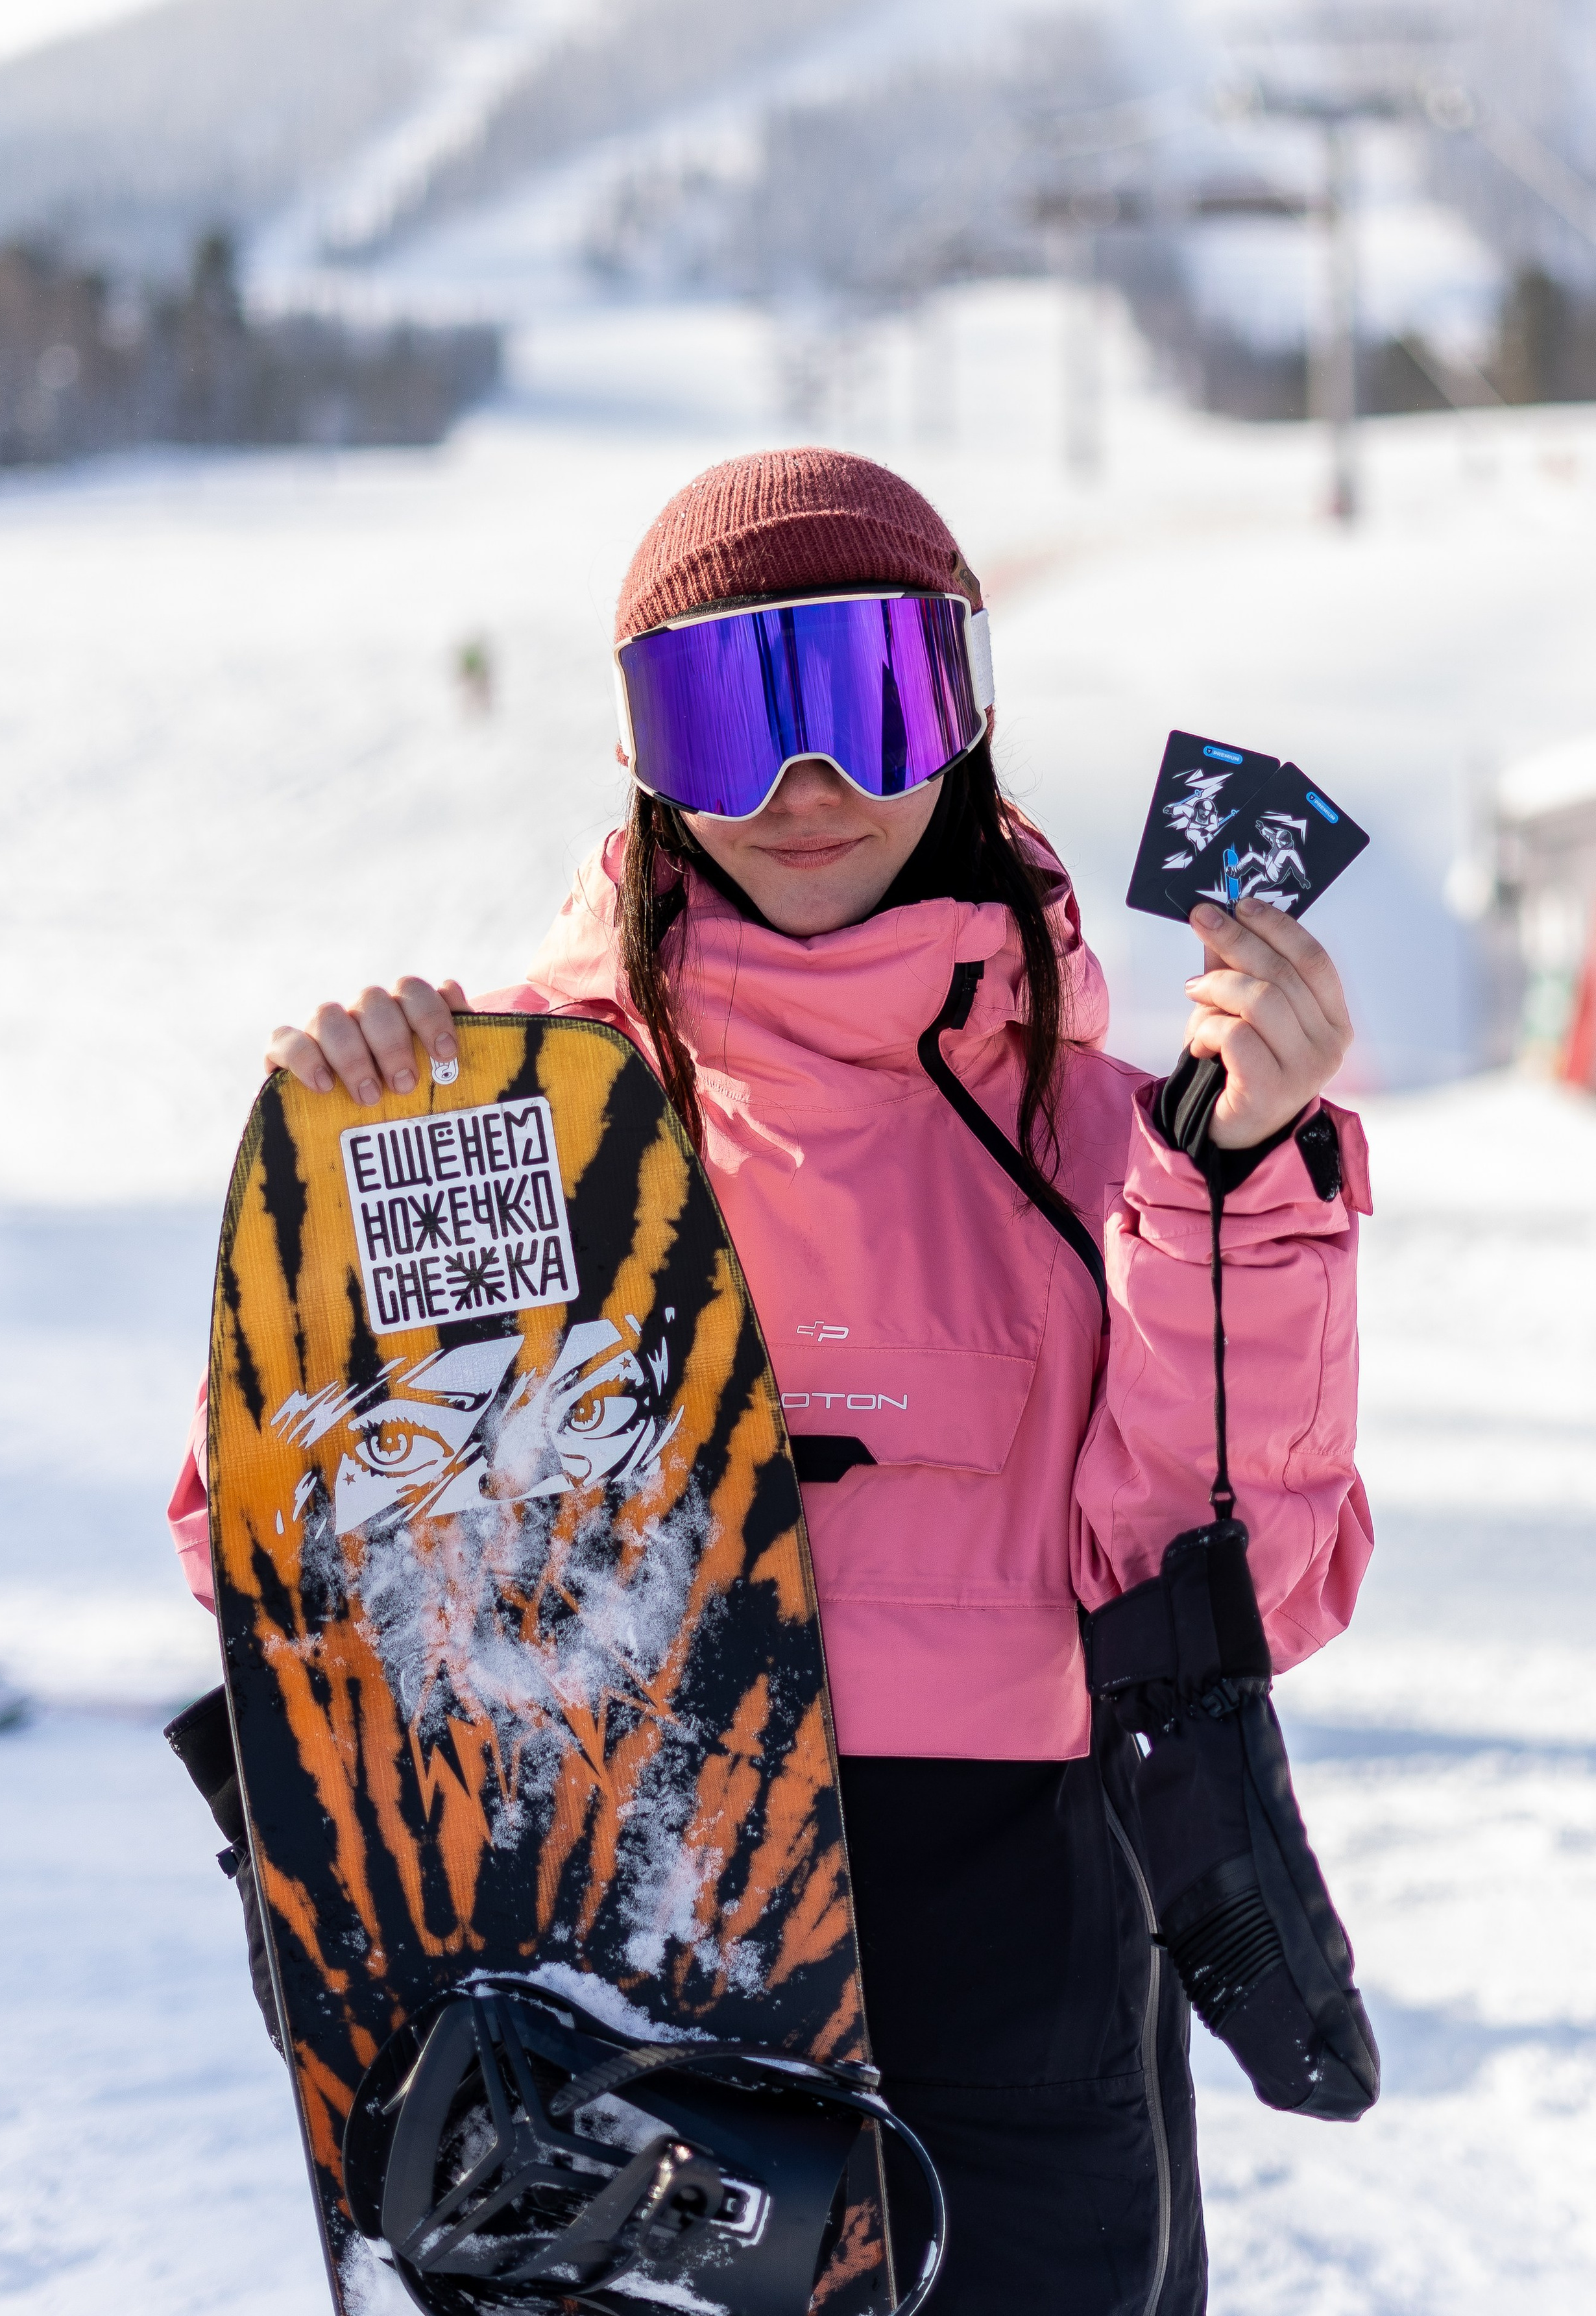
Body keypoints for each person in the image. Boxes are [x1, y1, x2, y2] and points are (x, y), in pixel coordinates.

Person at [169, 449, 1372, 2315]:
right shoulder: (526, 1136)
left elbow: (1238, 1594)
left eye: (867, 698)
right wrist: (347, 1210)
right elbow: (297, 1579)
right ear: (646, 753)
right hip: (620, 1930)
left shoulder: (1132, 1140)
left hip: (1013, 1943)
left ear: (961, 716)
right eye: (731, 712)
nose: (805, 788)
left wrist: (1239, 1197)